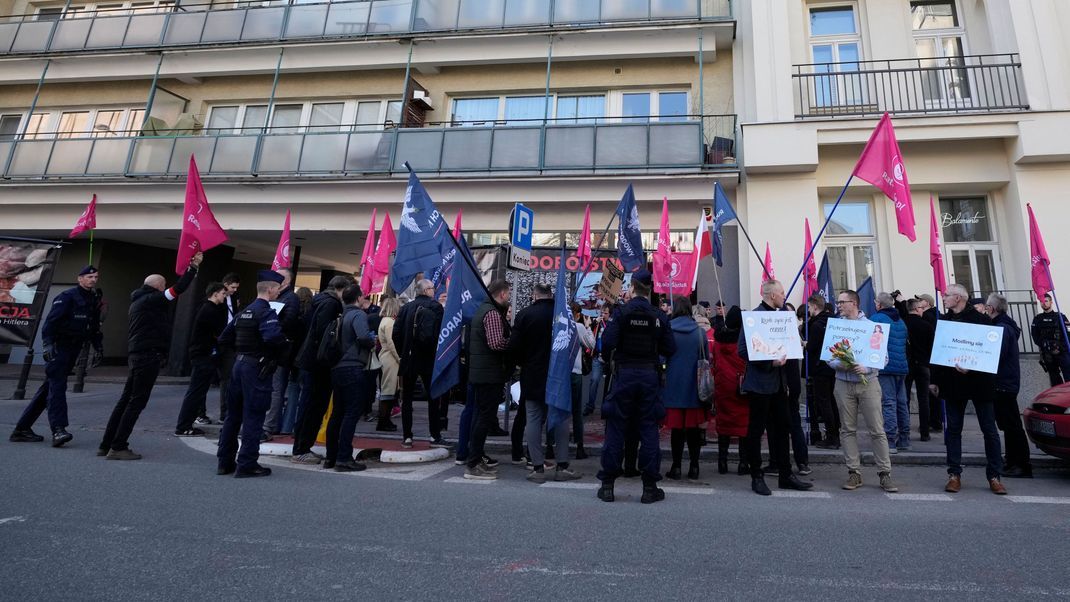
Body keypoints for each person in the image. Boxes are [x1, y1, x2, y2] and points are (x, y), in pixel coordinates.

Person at [99, 253, 201, 460]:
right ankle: (118, 446)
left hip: (137, 354)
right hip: (148, 355)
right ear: (158, 287)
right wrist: (193, 269)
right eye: (163, 286)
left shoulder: (137, 301)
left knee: (125, 400)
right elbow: (177, 290)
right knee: (136, 402)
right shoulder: (152, 300)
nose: (165, 289)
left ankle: (107, 443)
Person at [596, 269, 675, 504]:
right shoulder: (658, 316)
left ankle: (608, 485)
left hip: (625, 375)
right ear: (650, 289)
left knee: (616, 428)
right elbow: (670, 348)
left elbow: (607, 343)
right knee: (649, 429)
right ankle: (649, 488)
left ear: (632, 287)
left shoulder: (621, 313)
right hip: (649, 376)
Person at [11, 265, 102, 447]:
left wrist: (98, 346)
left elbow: (92, 326)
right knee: (57, 389)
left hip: (74, 348)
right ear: (80, 278)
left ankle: (21, 429)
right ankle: (58, 430)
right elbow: (50, 323)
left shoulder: (93, 299)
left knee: (48, 389)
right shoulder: (67, 297)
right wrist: (47, 345)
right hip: (60, 348)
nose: (93, 280)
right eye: (89, 276)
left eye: (95, 277)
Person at [738, 280, 813, 496]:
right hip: (760, 384)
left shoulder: (783, 317)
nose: (784, 296)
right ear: (771, 295)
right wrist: (769, 361)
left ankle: (785, 474)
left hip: (780, 385)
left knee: (783, 428)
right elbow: (743, 350)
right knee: (756, 430)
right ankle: (757, 476)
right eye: (781, 293)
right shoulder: (753, 317)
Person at [930, 283, 1006, 495]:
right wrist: (934, 380)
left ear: (959, 298)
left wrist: (972, 367)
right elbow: (938, 351)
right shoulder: (944, 322)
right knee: (953, 429)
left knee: (989, 430)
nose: (943, 298)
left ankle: (994, 475)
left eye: (947, 295)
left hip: (980, 383)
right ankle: (954, 474)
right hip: (952, 383)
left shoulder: (982, 321)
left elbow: (991, 353)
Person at [216, 269, 289, 478]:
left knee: (233, 416)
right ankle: (247, 463)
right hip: (255, 368)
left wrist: (241, 354)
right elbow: (273, 337)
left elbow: (224, 338)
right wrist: (279, 350)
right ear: (271, 289)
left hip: (239, 366)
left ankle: (224, 461)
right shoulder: (265, 312)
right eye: (278, 289)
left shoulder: (244, 311)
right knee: (254, 416)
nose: (278, 292)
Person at [828, 290, 897, 492]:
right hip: (842, 382)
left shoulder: (872, 327)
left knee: (877, 429)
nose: (838, 305)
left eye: (842, 302)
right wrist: (840, 364)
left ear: (854, 303)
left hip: (868, 383)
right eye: (838, 302)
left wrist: (866, 368)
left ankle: (885, 474)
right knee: (847, 429)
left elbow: (883, 359)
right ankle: (854, 473)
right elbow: (828, 357)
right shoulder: (836, 326)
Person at [290, 275, 350, 464]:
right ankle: (302, 448)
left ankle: (301, 446)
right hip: (319, 362)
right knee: (315, 406)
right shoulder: (331, 304)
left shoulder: (317, 300)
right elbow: (326, 334)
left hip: (309, 360)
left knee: (308, 404)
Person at [322, 284, 376, 472]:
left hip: (337, 368)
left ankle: (331, 456)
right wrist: (372, 342)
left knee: (337, 413)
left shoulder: (341, 315)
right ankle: (344, 458)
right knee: (351, 413)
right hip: (353, 366)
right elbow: (363, 337)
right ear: (359, 298)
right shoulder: (358, 315)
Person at [464, 279, 513, 480]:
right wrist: (513, 343)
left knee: (480, 417)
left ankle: (476, 456)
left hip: (482, 372)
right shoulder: (492, 313)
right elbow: (496, 343)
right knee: (484, 418)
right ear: (502, 294)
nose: (509, 297)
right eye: (508, 294)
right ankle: (474, 463)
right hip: (488, 374)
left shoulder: (484, 310)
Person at [392, 278, 447, 448]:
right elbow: (440, 333)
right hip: (429, 359)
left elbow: (396, 333)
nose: (434, 291)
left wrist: (403, 351)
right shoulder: (436, 307)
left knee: (406, 399)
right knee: (433, 398)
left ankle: (407, 436)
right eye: (431, 288)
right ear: (425, 291)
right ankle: (434, 435)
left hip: (409, 358)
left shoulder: (406, 308)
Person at [663, 296, 709, 481]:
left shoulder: (668, 331)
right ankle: (694, 466)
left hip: (673, 385)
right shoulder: (700, 333)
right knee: (693, 430)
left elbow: (662, 357)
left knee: (677, 431)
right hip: (694, 387)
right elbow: (707, 359)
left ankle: (676, 466)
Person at [986, 293, 1031, 478]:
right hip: (1006, 382)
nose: (986, 309)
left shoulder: (1001, 329)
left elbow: (996, 355)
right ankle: (1013, 460)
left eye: (987, 306)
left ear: (992, 309)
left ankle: (1020, 463)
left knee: (1011, 425)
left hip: (1003, 383)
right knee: (1009, 424)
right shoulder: (1005, 326)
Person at [174, 282, 229, 437]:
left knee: (198, 391)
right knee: (196, 392)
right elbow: (220, 333)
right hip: (203, 355)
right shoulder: (210, 310)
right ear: (215, 293)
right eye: (223, 294)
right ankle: (184, 426)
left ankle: (186, 424)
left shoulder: (207, 308)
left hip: (203, 354)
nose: (225, 297)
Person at [508, 285, 553, 467]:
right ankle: (536, 456)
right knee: (542, 415)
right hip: (552, 371)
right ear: (550, 295)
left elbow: (514, 346)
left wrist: (521, 362)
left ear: (534, 295)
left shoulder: (525, 314)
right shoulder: (557, 314)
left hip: (531, 370)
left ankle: (521, 452)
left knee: (526, 414)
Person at [264, 267, 302, 439]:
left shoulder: (291, 298)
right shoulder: (277, 296)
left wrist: (273, 323)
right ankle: (272, 422)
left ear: (286, 281)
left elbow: (289, 321)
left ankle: (270, 425)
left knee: (276, 389)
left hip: (282, 351)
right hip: (274, 349)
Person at [872, 292, 910, 453]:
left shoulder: (877, 319)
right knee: (901, 402)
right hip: (901, 367)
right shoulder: (901, 321)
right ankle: (904, 439)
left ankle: (889, 441)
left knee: (888, 402)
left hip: (885, 367)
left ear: (879, 304)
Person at [805, 294, 840, 449]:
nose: (808, 310)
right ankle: (835, 434)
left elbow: (812, 347)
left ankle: (832, 437)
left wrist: (804, 344)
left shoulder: (817, 324)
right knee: (830, 401)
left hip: (820, 367)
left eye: (809, 307)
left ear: (814, 306)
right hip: (831, 366)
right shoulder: (832, 321)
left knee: (824, 402)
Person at [280, 285, 314, 434]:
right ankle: (299, 426)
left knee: (292, 390)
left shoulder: (294, 315)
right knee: (305, 393)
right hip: (306, 357)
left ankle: (286, 426)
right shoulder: (311, 315)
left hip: (292, 357)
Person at [903, 298, 938, 439]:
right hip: (923, 364)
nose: (923, 311)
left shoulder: (902, 323)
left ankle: (904, 431)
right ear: (917, 309)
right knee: (923, 400)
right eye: (921, 308)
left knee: (904, 399)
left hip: (907, 365)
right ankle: (925, 432)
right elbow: (932, 348)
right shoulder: (927, 326)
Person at [570, 303, 595, 461]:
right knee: (576, 412)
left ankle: (550, 445)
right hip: (574, 372)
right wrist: (587, 327)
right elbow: (591, 344)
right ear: (577, 315)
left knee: (555, 411)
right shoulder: (577, 327)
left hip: (559, 374)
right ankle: (579, 446)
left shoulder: (557, 326)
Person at [1032, 292, 1070, 387]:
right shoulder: (1037, 319)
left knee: (1068, 379)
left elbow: (1068, 334)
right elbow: (1035, 336)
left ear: (1051, 302)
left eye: (1046, 301)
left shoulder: (1061, 317)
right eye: (1041, 301)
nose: (1043, 303)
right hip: (1048, 355)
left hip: (1062, 353)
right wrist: (1045, 344)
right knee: (1055, 382)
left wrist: (1060, 346)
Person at [375, 297, 401, 432]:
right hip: (390, 359)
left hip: (385, 357)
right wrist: (399, 358)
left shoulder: (384, 321)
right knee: (388, 391)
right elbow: (392, 344)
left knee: (388, 390)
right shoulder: (390, 322)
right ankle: (384, 421)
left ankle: (384, 420)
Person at [583, 305, 612, 416]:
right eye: (602, 313)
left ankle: (606, 407)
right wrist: (594, 323)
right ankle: (590, 405)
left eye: (605, 313)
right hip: (597, 357)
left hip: (608, 357)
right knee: (594, 380)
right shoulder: (597, 324)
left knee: (608, 384)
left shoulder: (611, 324)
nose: (603, 315)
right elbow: (589, 333)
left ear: (609, 314)